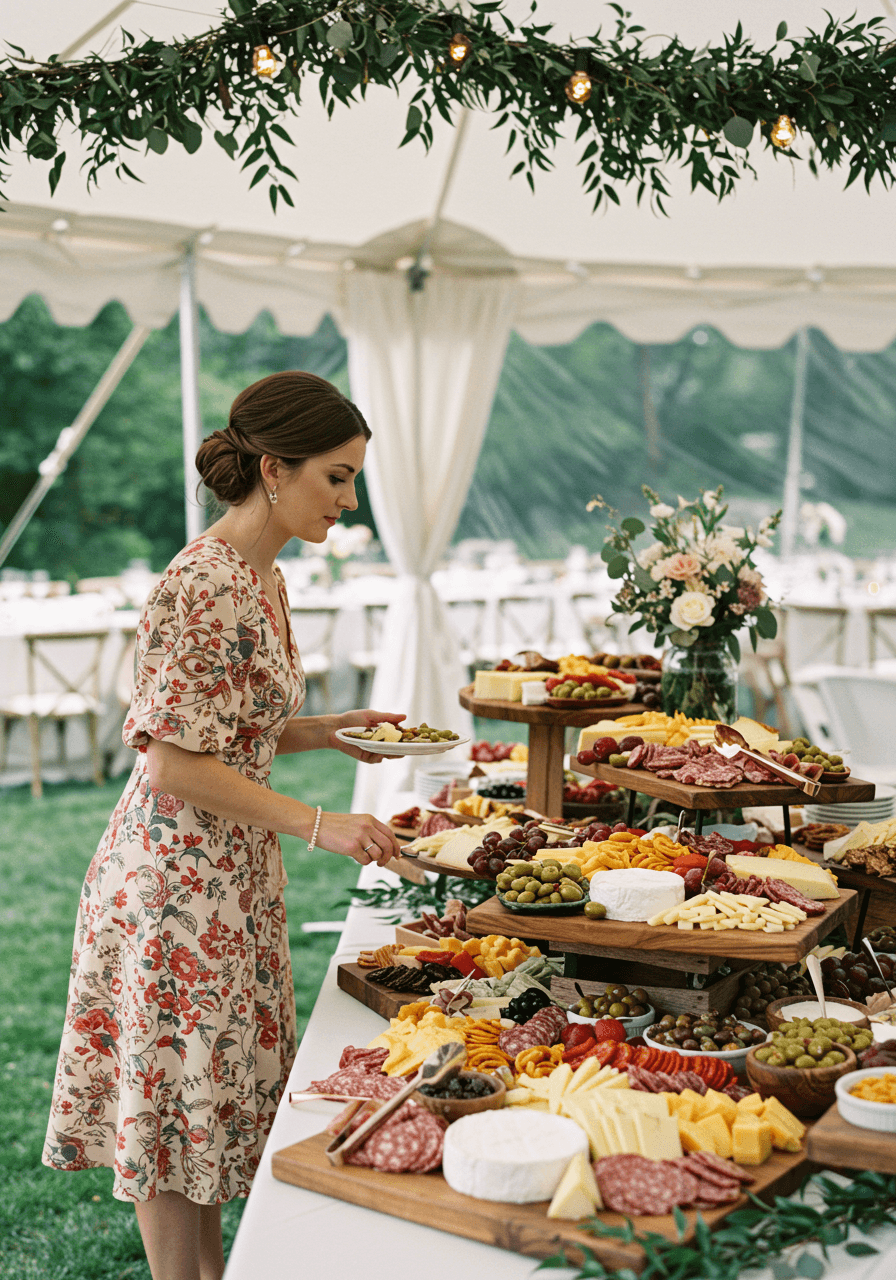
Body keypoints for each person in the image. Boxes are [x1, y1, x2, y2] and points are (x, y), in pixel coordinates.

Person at [43, 371, 404, 1280]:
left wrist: (326, 731)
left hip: (227, 884)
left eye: (354, 478)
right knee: (173, 1122)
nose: (349, 501)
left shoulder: (264, 575)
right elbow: (169, 761)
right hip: (172, 890)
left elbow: (229, 725)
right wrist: (320, 823)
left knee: (201, 1117)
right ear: (274, 470)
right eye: (337, 476)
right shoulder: (200, 582)